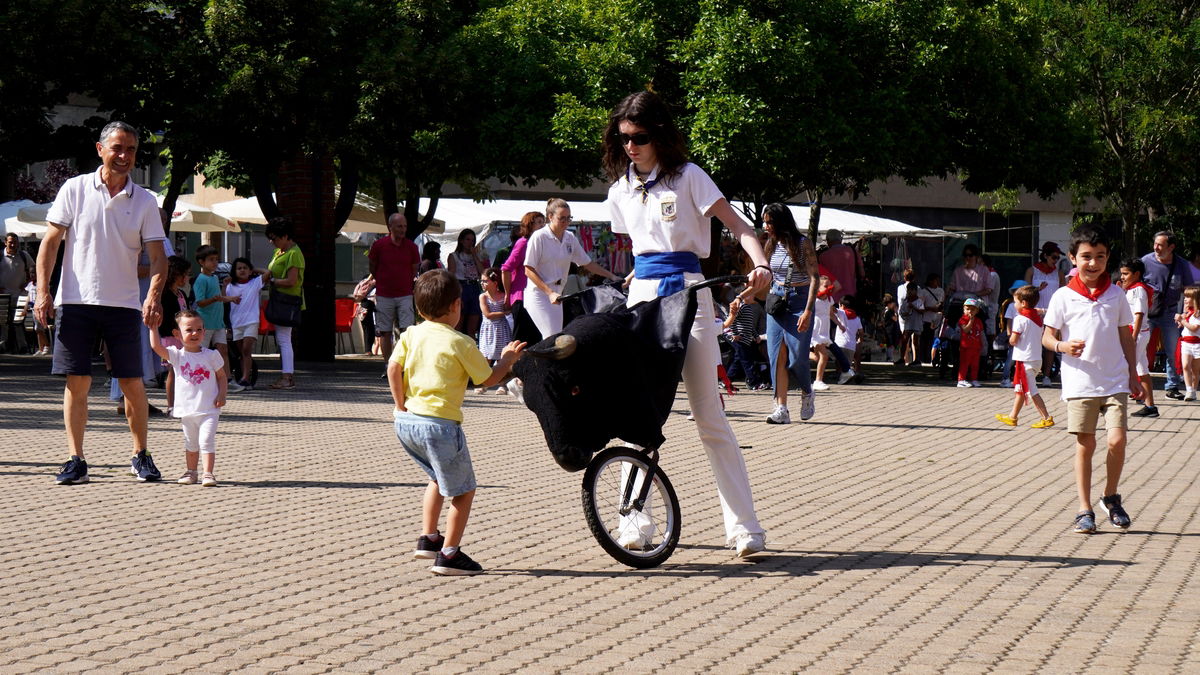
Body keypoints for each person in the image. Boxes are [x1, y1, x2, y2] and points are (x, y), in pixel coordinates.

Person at [603, 90, 772, 558]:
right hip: (643, 300)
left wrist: (760, 265)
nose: (629, 147)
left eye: (637, 138)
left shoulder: (690, 177)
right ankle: (633, 520)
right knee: (638, 416)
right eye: (622, 140)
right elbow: (639, 245)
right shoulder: (620, 189)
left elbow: (739, 227)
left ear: (657, 134)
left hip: (690, 293)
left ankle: (744, 528)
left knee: (709, 417)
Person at [37, 121, 168, 485]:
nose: (124, 156)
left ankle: (141, 455)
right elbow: (50, 243)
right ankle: (75, 459)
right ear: (100, 149)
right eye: (117, 148)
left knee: (132, 382)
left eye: (131, 150)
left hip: (124, 305)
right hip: (75, 301)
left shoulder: (144, 199)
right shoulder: (74, 188)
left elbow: (159, 258)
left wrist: (153, 296)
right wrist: (44, 292)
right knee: (77, 382)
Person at [389, 270, 525, 575]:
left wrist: (400, 404)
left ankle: (428, 538)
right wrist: (507, 360)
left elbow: (393, 368)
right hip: (441, 426)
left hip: (407, 423)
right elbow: (488, 378)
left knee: (438, 477)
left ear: (419, 308)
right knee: (463, 490)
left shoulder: (411, 334)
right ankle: (449, 554)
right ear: (455, 306)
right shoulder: (460, 342)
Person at [1041, 224, 1141, 534]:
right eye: (1086, 256)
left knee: (1118, 439)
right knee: (1086, 444)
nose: (1093, 263)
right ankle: (1084, 509)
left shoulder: (1117, 296)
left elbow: (1127, 337)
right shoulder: (1063, 296)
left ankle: (1110, 496)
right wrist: (1062, 346)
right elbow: (1047, 336)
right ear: (1072, 258)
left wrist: (1134, 374)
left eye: (1100, 256)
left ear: (1108, 258)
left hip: (1114, 380)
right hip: (1080, 382)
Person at [149, 310, 226, 487]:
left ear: (204, 332)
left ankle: (208, 474)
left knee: (206, 440)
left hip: (209, 409)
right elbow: (156, 347)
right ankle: (191, 472)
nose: (195, 334)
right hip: (187, 410)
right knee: (191, 442)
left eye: (199, 329)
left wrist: (222, 394)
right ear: (177, 334)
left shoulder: (211, 355)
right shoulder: (177, 356)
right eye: (189, 330)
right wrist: (153, 327)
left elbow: (222, 376)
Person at [523, 198, 620, 340]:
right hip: (539, 294)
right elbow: (528, 270)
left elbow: (587, 263)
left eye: (569, 218)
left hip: (558, 295)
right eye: (562, 218)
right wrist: (549, 292)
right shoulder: (539, 237)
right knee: (552, 337)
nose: (566, 222)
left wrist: (612, 276)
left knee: (556, 337)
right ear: (550, 217)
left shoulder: (570, 237)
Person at [759, 203, 819, 425]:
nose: (766, 226)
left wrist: (808, 310)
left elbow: (815, 277)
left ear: (781, 222)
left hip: (799, 301)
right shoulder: (771, 244)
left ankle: (807, 391)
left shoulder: (803, 244)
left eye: (770, 222)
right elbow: (767, 275)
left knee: (797, 360)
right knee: (777, 357)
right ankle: (781, 408)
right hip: (776, 302)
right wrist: (746, 294)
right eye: (765, 222)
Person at [1142, 231, 1195, 399]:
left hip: (1170, 312)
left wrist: (1186, 314)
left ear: (1171, 247)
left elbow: (1188, 290)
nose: (1156, 248)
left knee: (1172, 351)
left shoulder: (1182, 265)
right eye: (1155, 244)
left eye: (1160, 245)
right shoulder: (1145, 261)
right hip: (1147, 312)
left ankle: (1172, 387)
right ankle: (1136, 384)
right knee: (1139, 349)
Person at [995, 285, 1054, 428]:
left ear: (1023, 303)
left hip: (1025, 360)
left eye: (1015, 301)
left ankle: (1046, 417)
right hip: (1035, 359)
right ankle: (1013, 417)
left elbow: (1014, 340)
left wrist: (1009, 340)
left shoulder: (1020, 319)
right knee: (1020, 390)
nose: (1014, 304)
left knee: (1031, 391)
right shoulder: (1038, 318)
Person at [369, 212, 420, 361]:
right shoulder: (379, 245)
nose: (403, 229)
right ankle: (387, 364)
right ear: (390, 227)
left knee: (406, 331)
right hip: (384, 294)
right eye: (399, 226)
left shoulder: (411, 247)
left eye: (404, 226)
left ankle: (401, 362)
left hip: (405, 294)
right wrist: (383, 280)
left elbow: (414, 268)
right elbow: (373, 266)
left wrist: (405, 282)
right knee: (385, 331)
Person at [193, 245, 243, 393]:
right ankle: (199, 379)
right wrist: (215, 299)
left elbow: (218, 297)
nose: (215, 263)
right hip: (205, 323)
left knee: (223, 350)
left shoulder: (215, 278)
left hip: (218, 322)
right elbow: (200, 302)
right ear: (201, 262)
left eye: (216, 259)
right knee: (202, 351)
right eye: (211, 260)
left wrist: (229, 296)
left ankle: (227, 380)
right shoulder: (200, 280)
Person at [263, 217, 304, 390]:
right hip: (279, 300)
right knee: (283, 339)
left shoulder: (294, 253)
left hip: (287, 302)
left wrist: (272, 281)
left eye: (275, 238)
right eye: (270, 238)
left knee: (284, 339)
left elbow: (292, 281)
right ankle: (286, 375)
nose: (271, 241)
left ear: (286, 236)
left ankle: (287, 376)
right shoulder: (279, 252)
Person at [1120, 258, 1158, 418]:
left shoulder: (1138, 290)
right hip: (1138, 333)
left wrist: (1133, 337)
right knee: (1142, 370)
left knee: (1124, 369)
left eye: (1126, 274)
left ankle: (1116, 409)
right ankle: (1150, 407)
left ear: (1137, 274)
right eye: (1121, 273)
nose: (1122, 277)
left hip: (1137, 334)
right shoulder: (1132, 289)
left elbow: (1139, 314)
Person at [501, 211, 545, 345]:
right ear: (529, 225)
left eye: (543, 222)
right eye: (539, 222)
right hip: (521, 297)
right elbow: (506, 268)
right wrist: (508, 295)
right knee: (521, 341)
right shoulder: (523, 242)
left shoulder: (542, 243)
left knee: (536, 339)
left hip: (537, 296)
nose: (543, 225)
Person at [1026, 241, 1066, 385]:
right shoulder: (1032, 271)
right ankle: (1032, 374)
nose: (1056, 261)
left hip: (1052, 313)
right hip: (1034, 312)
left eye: (1057, 258)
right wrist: (1037, 290)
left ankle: (1047, 375)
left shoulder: (1059, 273)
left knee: (1050, 345)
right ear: (1045, 256)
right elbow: (1024, 293)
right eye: (1053, 257)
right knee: (1034, 343)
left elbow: (1063, 293)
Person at [157, 256, 194, 414]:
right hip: (171, 338)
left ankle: (184, 403)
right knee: (173, 371)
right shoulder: (165, 295)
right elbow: (165, 319)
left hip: (182, 338)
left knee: (184, 370)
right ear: (175, 274)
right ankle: (171, 405)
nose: (186, 278)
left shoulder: (180, 294)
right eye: (184, 274)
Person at [226, 257, 264, 389]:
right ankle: (244, 378)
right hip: (236, 322)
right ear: (234, 271)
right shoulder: (231, 286)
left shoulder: (255, 283)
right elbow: (222, 299)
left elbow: (268, 273)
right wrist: (225, 284)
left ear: (250, 270)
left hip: (251, 321)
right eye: (239, 268)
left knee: (247, 349)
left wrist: (254, 270)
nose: (242, 270)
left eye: (245, 268)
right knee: (242, 352)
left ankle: (245, 377)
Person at [474, 267, 511, 395]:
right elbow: (488, 314)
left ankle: (502, 384)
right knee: (486, 358)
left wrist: (506, 308)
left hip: (502, 328)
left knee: (502, 357)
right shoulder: (483, 297)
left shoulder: (503, 296)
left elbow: (508, 307)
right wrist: (504, 312)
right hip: (489, 330)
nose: (482, 283)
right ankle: (483, 384)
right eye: (482, 281)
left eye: (485, 281)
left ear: (495, 283)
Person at [447, 228, 489, 339]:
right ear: (461, 240)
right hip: (461, 287)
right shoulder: (454, 256)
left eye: (472, 240)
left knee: (473, 324)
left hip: (474, 287)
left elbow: (482, 272)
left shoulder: (476, 256)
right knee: (459, 322)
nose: (470, 242)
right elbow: (451, 275)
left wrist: (474, 255)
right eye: (467, 239)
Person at [723, 295, 767, 390]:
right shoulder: (740, 306)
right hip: (740, 339)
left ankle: (726, 381)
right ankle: (753, 383)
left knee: (738, 361)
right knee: (747, 361)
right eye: (751, 295)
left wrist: (756, 336)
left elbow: (750, 326)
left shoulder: (748, 308)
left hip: (746, 339)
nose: (753, 297)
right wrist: (732, 335)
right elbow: (731, 320)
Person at [1, 233, 35, 353]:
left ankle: (22, 346)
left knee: (19, 321)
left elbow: (34, 269)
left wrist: (28, 282)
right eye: (10, 242)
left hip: (20, 294)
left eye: (15, 242)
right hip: (3, 295)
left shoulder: (23, 255)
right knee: (3, 321)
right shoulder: (0, 255)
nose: (13, 244)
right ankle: (2, 345)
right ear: (5, 242)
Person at [817, 228, 865, 302]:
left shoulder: (823, 256)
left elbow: (821, 278)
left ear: (828, 240)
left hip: (832, 296)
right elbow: (862, 273)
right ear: (840, 239)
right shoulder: (852, 251)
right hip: (851, 294)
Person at [1176, 286, 1200, 401]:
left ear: (1195, 299)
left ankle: (1194, 391)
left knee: (1195, 370)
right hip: (1186, 343)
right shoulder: (1188, 312)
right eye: (1185, 296)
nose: (1185, 299)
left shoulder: (1197, 313)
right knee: (1185, 366)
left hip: (1197, 344)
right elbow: (1183, 326)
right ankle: (1189, 390)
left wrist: (1182, 320)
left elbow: (1194, 328)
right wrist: (1181, 318)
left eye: (1188, 297)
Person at [957, 297, 985, 387]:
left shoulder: (979, 321)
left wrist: (981, 344)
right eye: (967, 309)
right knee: (965, 363)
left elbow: (980, 333)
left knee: (975, 365)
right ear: (963, 309)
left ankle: (974, 379)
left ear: (977, 311)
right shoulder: (963, 319)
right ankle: (961, 380)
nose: (970, 311)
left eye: (973, 309)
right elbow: (965, 330)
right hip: (966, 346)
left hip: (976, 346)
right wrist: (971, 321)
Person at [833, 295, 863, 375]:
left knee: (838, 363)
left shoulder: (841, 313)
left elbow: (832, 309)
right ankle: (849, 374)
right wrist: (860, 339)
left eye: (839, 305)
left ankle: (841, 376)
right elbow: (861, 331)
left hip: (840, 344)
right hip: (851, 346)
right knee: (847, 365)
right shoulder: (857, 318)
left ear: (842, 306)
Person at [899, 278, 924, 366]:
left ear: (916, 291)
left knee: (915, 342)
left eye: (912, 290)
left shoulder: (919, 301)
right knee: (904, 341)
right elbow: (901, 312)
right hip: (908, 323)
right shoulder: (905, 301)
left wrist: (913, 307)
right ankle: (902, 359)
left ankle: (917, 359)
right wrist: (905, 313)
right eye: (909, 290)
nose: (910, 292)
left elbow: (922, 311)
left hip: (916, 324)